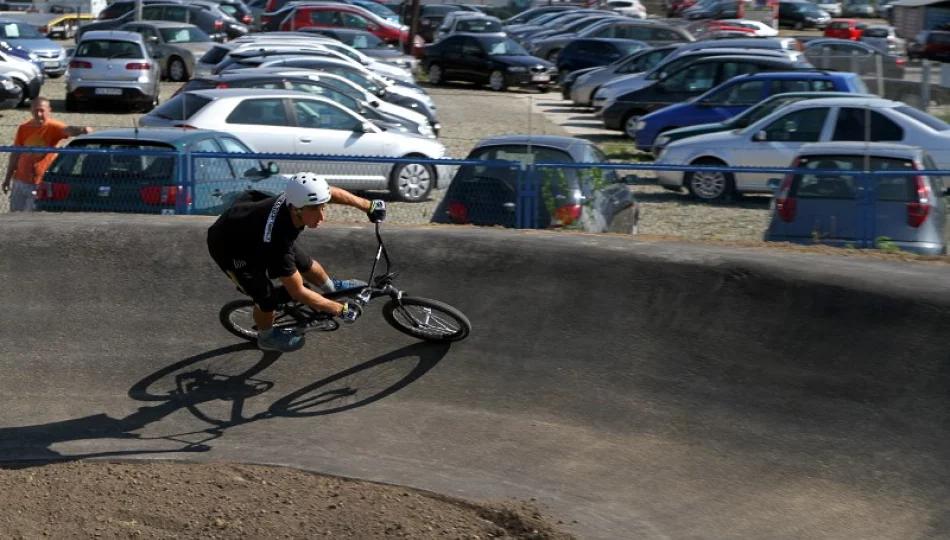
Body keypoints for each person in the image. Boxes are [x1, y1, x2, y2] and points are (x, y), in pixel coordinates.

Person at [207, 172, 387, 353]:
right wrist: (339, 309)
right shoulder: (277, 243)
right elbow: (298, 292)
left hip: (252, 226)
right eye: (314, 210)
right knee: (266, 299)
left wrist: (367, 205)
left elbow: (329, 192)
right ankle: (266, 337)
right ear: (296, 210)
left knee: (306, 264)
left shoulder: (299, 197)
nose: (322, 217)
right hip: (231, 250)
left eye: (322, 207)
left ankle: (331, 289)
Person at [1, 97, 93, 212]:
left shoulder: (53, 126)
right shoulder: (24, 127)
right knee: (15, 215)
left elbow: (68, 130)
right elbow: (16, 153)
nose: (38, 114)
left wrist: (82, 130)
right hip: (21, 179)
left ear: (49, 110)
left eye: (41, 111)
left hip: (41, 182)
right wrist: (7, 178)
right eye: (35, 111)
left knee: (30, 217)